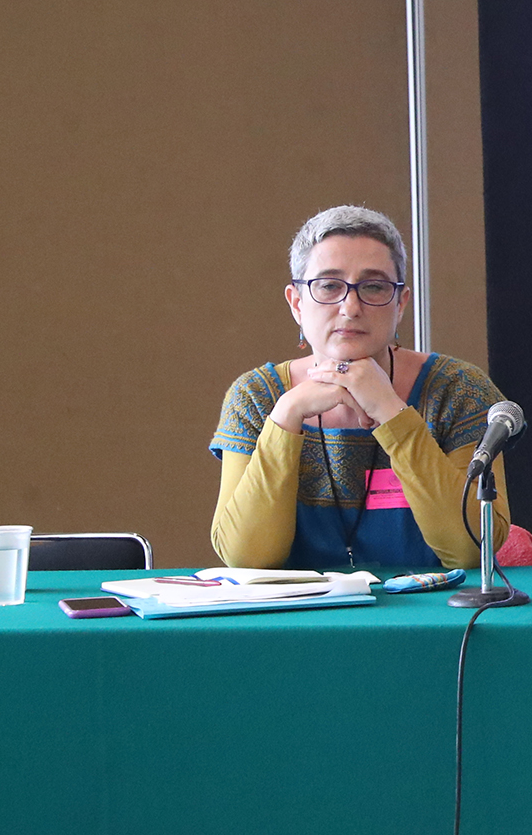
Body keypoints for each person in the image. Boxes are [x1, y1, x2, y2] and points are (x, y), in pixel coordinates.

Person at [212, 205, 510, 572]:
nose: (350, 307)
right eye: (329, 286)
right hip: (302, 610)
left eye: (373, 287)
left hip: (434, 607)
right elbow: (247, 558)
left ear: (400, 303)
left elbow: (471, 550)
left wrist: (391, 412)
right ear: (297, 303)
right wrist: (286, 417)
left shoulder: (458, 390)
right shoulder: (257, 396)